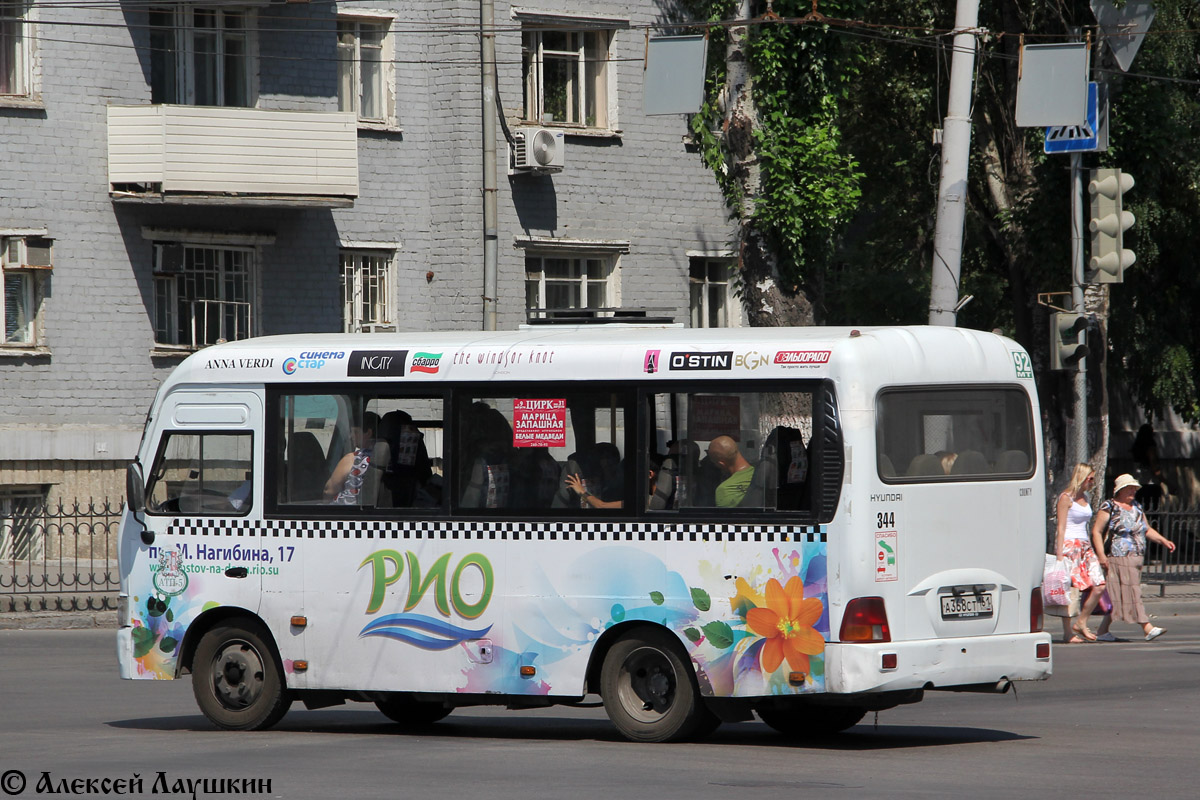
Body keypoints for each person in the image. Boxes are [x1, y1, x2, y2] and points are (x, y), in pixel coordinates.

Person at [1090, 473, 1176, 642]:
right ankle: (1147, 627)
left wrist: (1163, 540)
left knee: (1120, 595)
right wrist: (1101, 555)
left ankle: (1101, 630)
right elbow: (1097, 531)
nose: (1133, 491)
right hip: (1118, 556)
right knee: (1132, 592)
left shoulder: (1136, 506)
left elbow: (1146, 529)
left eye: (1134, 488)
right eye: (1129, 488)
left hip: (1136, 557)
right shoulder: (1110, 506)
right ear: (1120, 490)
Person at [1051, 463, 1105, 643]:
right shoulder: (1066, 498)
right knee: (1071, 590)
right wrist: (1059, 554)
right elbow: (1060, 527)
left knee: (1099, 585)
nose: (1092, 482)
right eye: (1090, 478)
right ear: (1081, 477)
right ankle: (1068, 632)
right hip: (1070, 545)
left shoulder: (1086, 497)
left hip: (1085, 546)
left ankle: (1081, 622)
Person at [324, 412, 379, 505]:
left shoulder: (353, 459)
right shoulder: (386, 460)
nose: (351, 436)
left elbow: (329, 490)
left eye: (355, 432)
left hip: (344, 513)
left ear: (368, 433)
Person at [708, 435, 755, 507]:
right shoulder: (760, 475)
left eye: (715, 463)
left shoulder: (725, 490)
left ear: (722, 464)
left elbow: (726, 517)